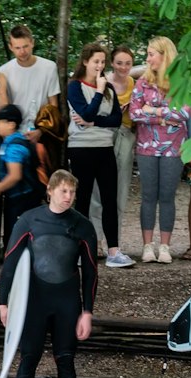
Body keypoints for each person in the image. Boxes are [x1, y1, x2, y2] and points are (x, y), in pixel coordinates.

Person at [0, 171, 98, 378]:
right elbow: (10, 264)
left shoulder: (83, 225)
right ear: (50, 190)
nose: (69, 197)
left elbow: (90, 273)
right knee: (28, 358)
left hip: (67, 302)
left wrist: (87, 312)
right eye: (64, 191)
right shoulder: (29, 220)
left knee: (65, 360)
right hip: (34, 302)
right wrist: (4, 303)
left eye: (72, 192)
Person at [66, 44, 133, 267]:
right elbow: (84, 112)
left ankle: (114, 251)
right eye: (96, 61)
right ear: (85, 61)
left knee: (109, 199)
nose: (100, 66)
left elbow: (115, 120)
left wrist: (93, 123)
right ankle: (81, 249)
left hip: (105, 148)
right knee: (83, 199)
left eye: (103, 62)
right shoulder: (74, 87)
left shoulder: (108, 88)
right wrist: (96, 94)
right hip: (81, 148)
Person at [131, 37, 190, 262]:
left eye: (151, 54)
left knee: (167, 197)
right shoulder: (142, 83)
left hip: (173, 149)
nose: (147, 58)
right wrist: (165, 115)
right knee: (148, 196)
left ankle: (164, 247)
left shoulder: (181, 82)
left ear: (165, 55)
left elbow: (184, 113)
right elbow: (135, 113)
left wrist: (152, 111)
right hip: (146, 147)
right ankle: (147, 246)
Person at [0, 104, 42, 251]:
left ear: (11, 125)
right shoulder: (13, 141)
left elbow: (15, 175)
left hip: (22, 198)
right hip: (21, 196)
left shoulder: (14, 147)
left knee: (17, 232)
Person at [0, 25, 59, 139]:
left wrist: (42, 131)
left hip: (42, 132)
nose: (22, 51)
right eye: (17, 48)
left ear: (32, 43)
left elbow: (53, 105)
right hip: (15, 134)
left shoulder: (49, 67)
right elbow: (4, 106)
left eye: (25, 46)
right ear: (10, 47)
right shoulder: (4, 71)